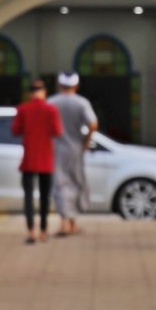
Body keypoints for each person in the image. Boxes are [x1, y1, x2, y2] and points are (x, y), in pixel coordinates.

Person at [10, 77, 64, 245]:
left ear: (30, 93)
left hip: (29, 159)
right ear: (44, 92)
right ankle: (43, 230)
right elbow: (57, 131)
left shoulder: (23, 109)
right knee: (45, 197)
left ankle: (31, 230)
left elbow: (15, 130)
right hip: (46, 159)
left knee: (28, 197)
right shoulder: (51, 110)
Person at [49, 73, 99, 236]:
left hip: (56, 147)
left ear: (59, 85)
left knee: (60, 183)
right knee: (76, 181)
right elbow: (93, 123)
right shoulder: (81, 102)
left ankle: (65, 223)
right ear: (76, 86)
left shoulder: (52, 103)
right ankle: (71, 223)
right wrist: (86, 141)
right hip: (76, 147)